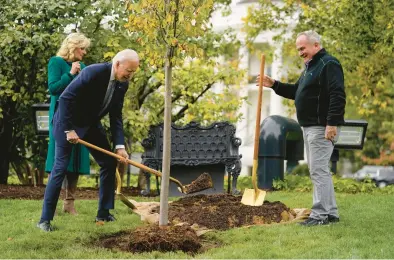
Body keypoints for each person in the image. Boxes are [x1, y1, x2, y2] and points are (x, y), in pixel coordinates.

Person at [37, 49, 140, 232]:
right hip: (66, 121)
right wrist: (69, 130)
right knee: (60, 166)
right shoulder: (93, 72)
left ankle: (104, 213)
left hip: (89, 124)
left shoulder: (122, 84)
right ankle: (44, 220)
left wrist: (120, 146)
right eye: (129, 71)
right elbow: (66, 98)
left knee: (108, 162)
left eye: (133, 72)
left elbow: (116, 116)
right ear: (117, 64)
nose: (130, 76)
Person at [259, 30, 346, 226]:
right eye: (298, 49)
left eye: (303, 48)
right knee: (320, 170)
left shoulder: (328, 64)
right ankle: (330, 213)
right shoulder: (310, 68)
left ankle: (320, 216)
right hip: (310, 127)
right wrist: (274, 84)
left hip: (321, 127)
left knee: (318, 170)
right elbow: (296, 92)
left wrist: (331, 123)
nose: (300, 52)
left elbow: (337, 94)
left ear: (316, 45)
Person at [45, 33, 91, 215]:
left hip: (78, 118)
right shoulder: (56, 62)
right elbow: (54, 88)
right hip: (60, 118)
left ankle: (69, 203)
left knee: (77, 158)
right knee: (58, 160)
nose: (85, 52)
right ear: (73, 47)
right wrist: (71, 74)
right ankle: (52, 204)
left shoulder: (84, 67)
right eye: (82, 48)